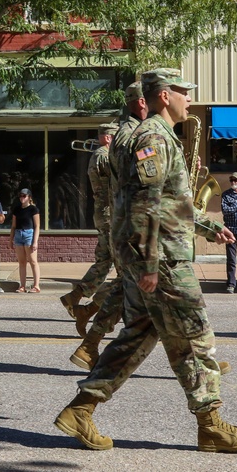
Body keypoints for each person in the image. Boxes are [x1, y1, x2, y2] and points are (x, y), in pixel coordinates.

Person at [54, 68, 237, 454]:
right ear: (164, 95)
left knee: (138, 335)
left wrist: (207, 226)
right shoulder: (152, 137)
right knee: (196, 336)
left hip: (154, 251)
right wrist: (149, 262)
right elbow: (145, 203)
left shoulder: (153, 135)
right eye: (184, 93)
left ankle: (81, 410)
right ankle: (211, 425)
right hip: (162, 257)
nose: (189, 99)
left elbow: (169, 201)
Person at [70, 83, 147, 369]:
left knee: (123, 280)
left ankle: (88, 323)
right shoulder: (118, 146)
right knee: (125, 277)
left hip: (122, 216)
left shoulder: (128, 138)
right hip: (123, 217)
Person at [59, 124, 118, 323]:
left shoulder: (100, 155)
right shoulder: (103, 156)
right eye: (117, 137)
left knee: (104, 262)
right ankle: (96, 309)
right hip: (110, 214)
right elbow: (119, 180)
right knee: (124, 268)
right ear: (109, 139)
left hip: (105, 213)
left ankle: (75, 296)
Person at [10, 188, 41, 292]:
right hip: (18, 234)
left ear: (29, 197)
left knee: (32, 261)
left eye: (24, 196)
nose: (22, 198)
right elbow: (13, 226)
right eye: (20, 196)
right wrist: (10, 240)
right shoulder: (17, 209)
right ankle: (22, 286)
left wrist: (35, 241)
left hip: (29, 234)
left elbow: (37, 226)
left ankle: (36, 286)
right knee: (22, 262)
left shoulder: (33, 209)